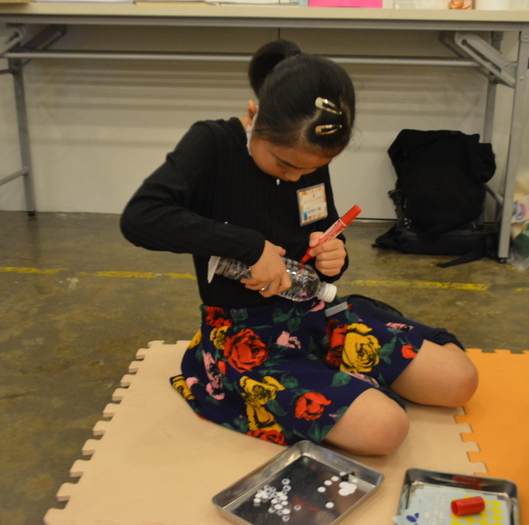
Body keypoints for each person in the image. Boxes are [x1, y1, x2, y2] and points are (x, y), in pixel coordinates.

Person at [120, 39, 478, 456]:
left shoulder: (307, 156)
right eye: (285, 164)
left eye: (314, 168)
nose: (296, 177)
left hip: (314, 314)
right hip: (245, 338)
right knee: (386, 429)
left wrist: (334, 255)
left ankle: (357, 326)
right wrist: (249, 247)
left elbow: (324, 225)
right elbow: (141, 217)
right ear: (255, 114)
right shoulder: (213, 143)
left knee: (460, 380)